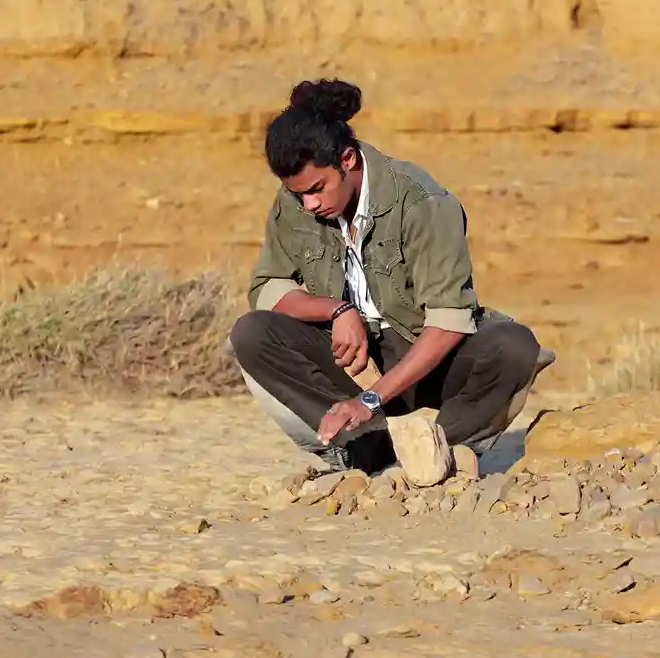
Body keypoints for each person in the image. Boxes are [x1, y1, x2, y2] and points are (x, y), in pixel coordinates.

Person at [228, 78, 553, 481]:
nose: (309, 205)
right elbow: (269, 287)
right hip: (356, 363)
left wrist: (369, 399)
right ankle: (370, 446)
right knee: (252, 332)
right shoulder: (297, 202)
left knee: (514, 346)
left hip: (426, 361)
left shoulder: (423, 203)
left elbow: (448, 323)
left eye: (316, 189)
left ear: (347, 159)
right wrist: (337, 310)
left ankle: (436, 445)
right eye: (298, 195)